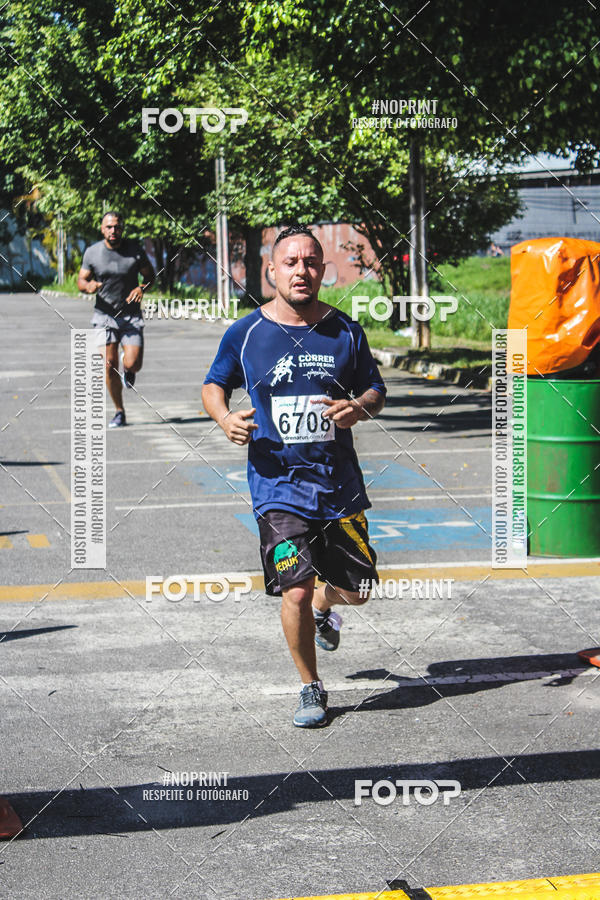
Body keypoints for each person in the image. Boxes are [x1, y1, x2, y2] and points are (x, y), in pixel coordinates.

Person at [202, 224, 386, 728]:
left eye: (310, 262)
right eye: (290, 262)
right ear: (271, 271)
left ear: (322, 271)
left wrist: (359, 407)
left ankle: (330, 607)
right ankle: (311, 687)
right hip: (276, 486)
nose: (301, 271)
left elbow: (375, 390)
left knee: (357, 591)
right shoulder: (245, 334)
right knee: (295, 589)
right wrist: (224, 419)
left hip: (339, 485)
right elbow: (213, 385)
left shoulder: (347, 331)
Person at [78, 211, 155, 428]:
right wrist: (88, 286)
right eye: (109, 227)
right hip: (104, 316)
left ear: (122, 228)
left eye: (117, 227)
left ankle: (128, 368)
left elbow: (150, 276)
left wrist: (142, 287)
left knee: (133, 363)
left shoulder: (135, 251)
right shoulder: (92, 253)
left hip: (130, 316)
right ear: (102, 229)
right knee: (108, 364)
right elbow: (81, 281)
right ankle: (119, 411)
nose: (113, 230)